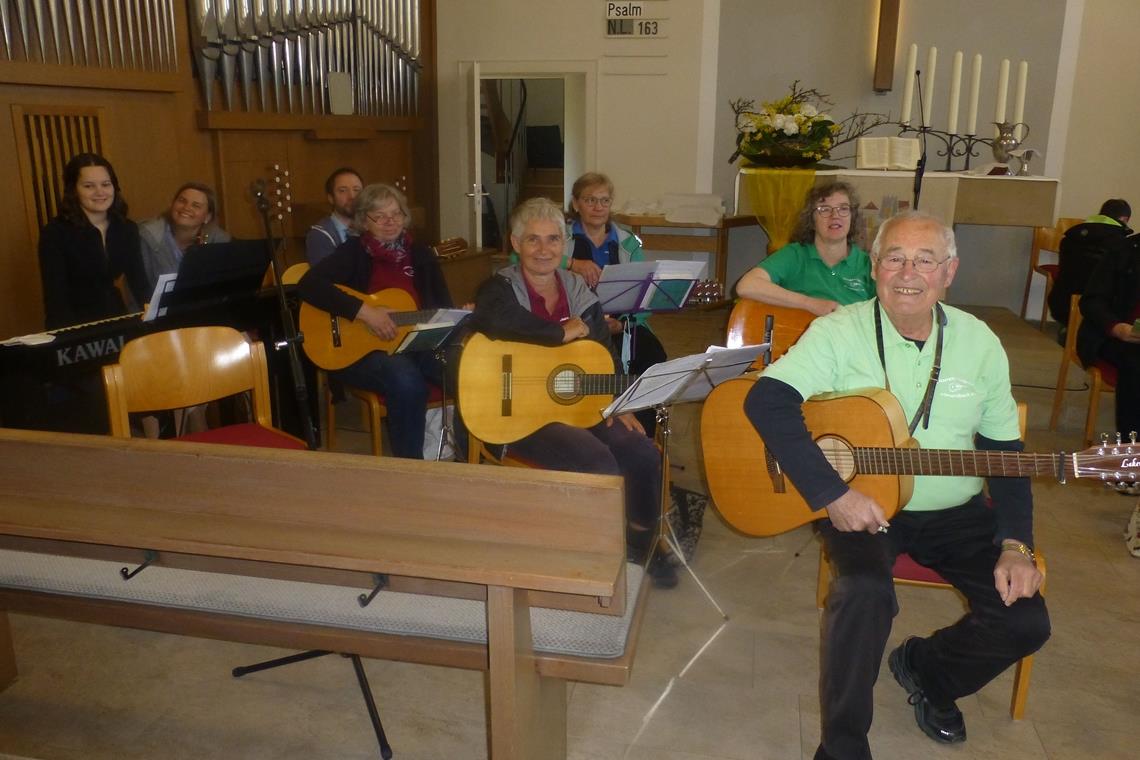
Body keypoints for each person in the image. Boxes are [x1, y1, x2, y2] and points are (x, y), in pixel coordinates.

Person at [744, 212, 1050, 759]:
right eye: (894, 258)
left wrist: (1015, 544)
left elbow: (1006, 455)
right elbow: (766, 400)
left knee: (1025, 621)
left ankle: (928, 671)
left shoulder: (980, 342)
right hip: (865, 505)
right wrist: (831, 494)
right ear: (874, 268)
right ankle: (841, 748)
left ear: (949, 271)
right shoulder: (838, 330)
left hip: (955, 512)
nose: (908, 273)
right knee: (863, 594)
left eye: (924, 260)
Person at [470, 197, 676, 588]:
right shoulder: (500, 287)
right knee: (597, 460)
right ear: (516, 243)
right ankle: (594, 556)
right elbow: (495, 319)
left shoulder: (577, 289)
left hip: (577, 401)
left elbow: (603, 350)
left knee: (640, 449)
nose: (544, 249)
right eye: (533, 240)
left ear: (565, 245)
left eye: (553, 239)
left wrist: (620, 400)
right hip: (519, 412)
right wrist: (559, 333)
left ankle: (640, 540)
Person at [298, 183, 452, 459]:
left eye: (396, 214)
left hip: (415, 342)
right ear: (363, 221)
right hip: (358, 351)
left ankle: (468, 451)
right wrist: (364, 312)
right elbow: (309, 284)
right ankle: (410, 467)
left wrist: (457, 317)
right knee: (406, 380)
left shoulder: (422, 255)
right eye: (380, 216)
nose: (390, 221)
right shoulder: (353, 252)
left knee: (461, 368)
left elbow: (443, 307)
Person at [564, 171, 667, 434]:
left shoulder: (628, 243)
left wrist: (622, 324)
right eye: (589, 200)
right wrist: (572, 263)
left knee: (651, 355)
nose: (598, 207)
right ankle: (592, 426)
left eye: (604, 200)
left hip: (622, 325)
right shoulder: (559, 238)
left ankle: (643, 435)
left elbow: (645, 295)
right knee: (592, 362)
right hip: (577, 325)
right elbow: (522, 261)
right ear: (575, 204)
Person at [38, 152, 148, 330]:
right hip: (73, 322)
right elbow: (55, 297)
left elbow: (139, 282)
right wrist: (66, 337)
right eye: (89, 186)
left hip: (115, 316)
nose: (100, 192)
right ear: (73, 190)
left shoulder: (127, 228)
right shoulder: (55, 233)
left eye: (106, 184)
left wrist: (153, 317)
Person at [736, 181, 873, 316]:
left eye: (843, 208)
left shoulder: (869, 265)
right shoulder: (795, 255)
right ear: (811, 220)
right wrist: (810, 304)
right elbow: (747, 285)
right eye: (825, 209)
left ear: (852, 217)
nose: (835, 216)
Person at [1077, 232, 1140, 450]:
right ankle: (1129, 453)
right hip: (1114, 335)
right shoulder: (1124, 251)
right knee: (1135, 364)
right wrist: (1116, 327)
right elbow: (1091, 301)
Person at [1048, 198, 1132, 327]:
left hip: (1061, 302)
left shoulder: (1071, 236)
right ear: (1124, 219)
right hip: (1096, 308)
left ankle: (1068, 332)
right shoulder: (1119, 244)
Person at [138, 182, 231, 294]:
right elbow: (138, 292)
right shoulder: (146, 236)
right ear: (172, 205)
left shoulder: (219, 241)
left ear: (207, 217)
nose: (186, 208)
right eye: (182, 201)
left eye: (196, 205)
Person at [306, 167, 364, 266]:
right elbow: (324, 278)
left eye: (357, 190)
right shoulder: (319, 235)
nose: (352, 196)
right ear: (331, 198)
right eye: (343, 191)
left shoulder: (370, 228)